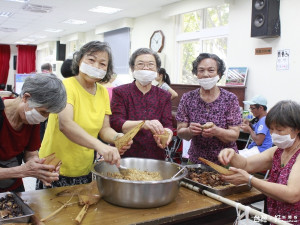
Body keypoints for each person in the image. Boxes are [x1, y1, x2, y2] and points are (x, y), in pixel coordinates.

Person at [37, 41, 131, 189]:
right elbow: (65, 124)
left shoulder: (102, 93)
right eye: (91, 60)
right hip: (54, 167)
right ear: (79, 60)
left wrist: (117, 138)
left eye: (102, 64)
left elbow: (104, 129)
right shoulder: (66, 86)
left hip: (84, 167)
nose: (96, 67)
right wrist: (100, 146)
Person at [218, 100, 300, 225]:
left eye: (280, 130)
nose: (274, 134)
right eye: (271, 129)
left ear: (297, 129)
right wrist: (232, 154)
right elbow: (246, 164)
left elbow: (292, 194)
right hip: (275, 216)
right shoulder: (277, 151)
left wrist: (250, 180)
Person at [0, 74, 67, 192]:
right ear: (26, 97)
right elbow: (23, 170)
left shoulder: (31, 119)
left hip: (14, 189)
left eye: (49, 114)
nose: (44, 118)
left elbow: (30, 153)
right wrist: (22, 171)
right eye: (43, 112)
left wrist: (40, 167)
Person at [176, 53, 241, 165]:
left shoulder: (230, 99)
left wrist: (217, 131)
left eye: (211, 70)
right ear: (196, 73)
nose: (206, 74)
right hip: (197, 160)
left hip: (226, 160)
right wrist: (189, 131)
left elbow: (234, 134)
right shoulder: (188, 98)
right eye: (201, 70)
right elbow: (180, 132)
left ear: (219, 74)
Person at [110, 48, 173, 160]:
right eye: (140, 64)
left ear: (157, 69)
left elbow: (167, 124)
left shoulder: (164, 95)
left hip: (155, 156)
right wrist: (143, 124)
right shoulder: (120, 92)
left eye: (150, 64)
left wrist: (167, 134)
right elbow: (116, 123)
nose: (146, 68)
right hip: (126, 154)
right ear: (132, 68)